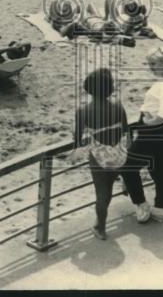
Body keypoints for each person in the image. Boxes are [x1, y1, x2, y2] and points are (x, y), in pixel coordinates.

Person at [120, 49, 163, 223]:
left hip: (156, 131)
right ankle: (161, 208)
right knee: (159, 167)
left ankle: (141, 205)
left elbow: (162, 115)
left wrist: (148, 123)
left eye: (154, 64)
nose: (151, 68)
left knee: (127, 166)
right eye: (149, 64)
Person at [70, 68, 130, 240]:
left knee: (102, 193)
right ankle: (123, 181)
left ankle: (101, 228)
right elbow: (126, 131)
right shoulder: (118, 106)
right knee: (109, 187)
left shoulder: (83, 111)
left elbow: (79, 141)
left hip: (101, 156)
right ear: (109, 88)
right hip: (118, 153)